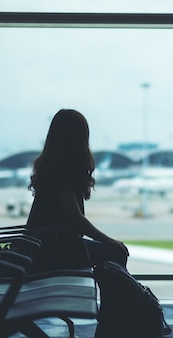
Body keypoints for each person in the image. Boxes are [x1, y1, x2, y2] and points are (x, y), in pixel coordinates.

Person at [26, 109, 129, 270]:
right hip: (53, 249)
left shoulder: (52, 167)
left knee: (110, 252)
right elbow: (76, 218)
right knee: (116, 253)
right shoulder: (62, 171)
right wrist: (109, 240)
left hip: (44, 245)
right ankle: (119, 295)